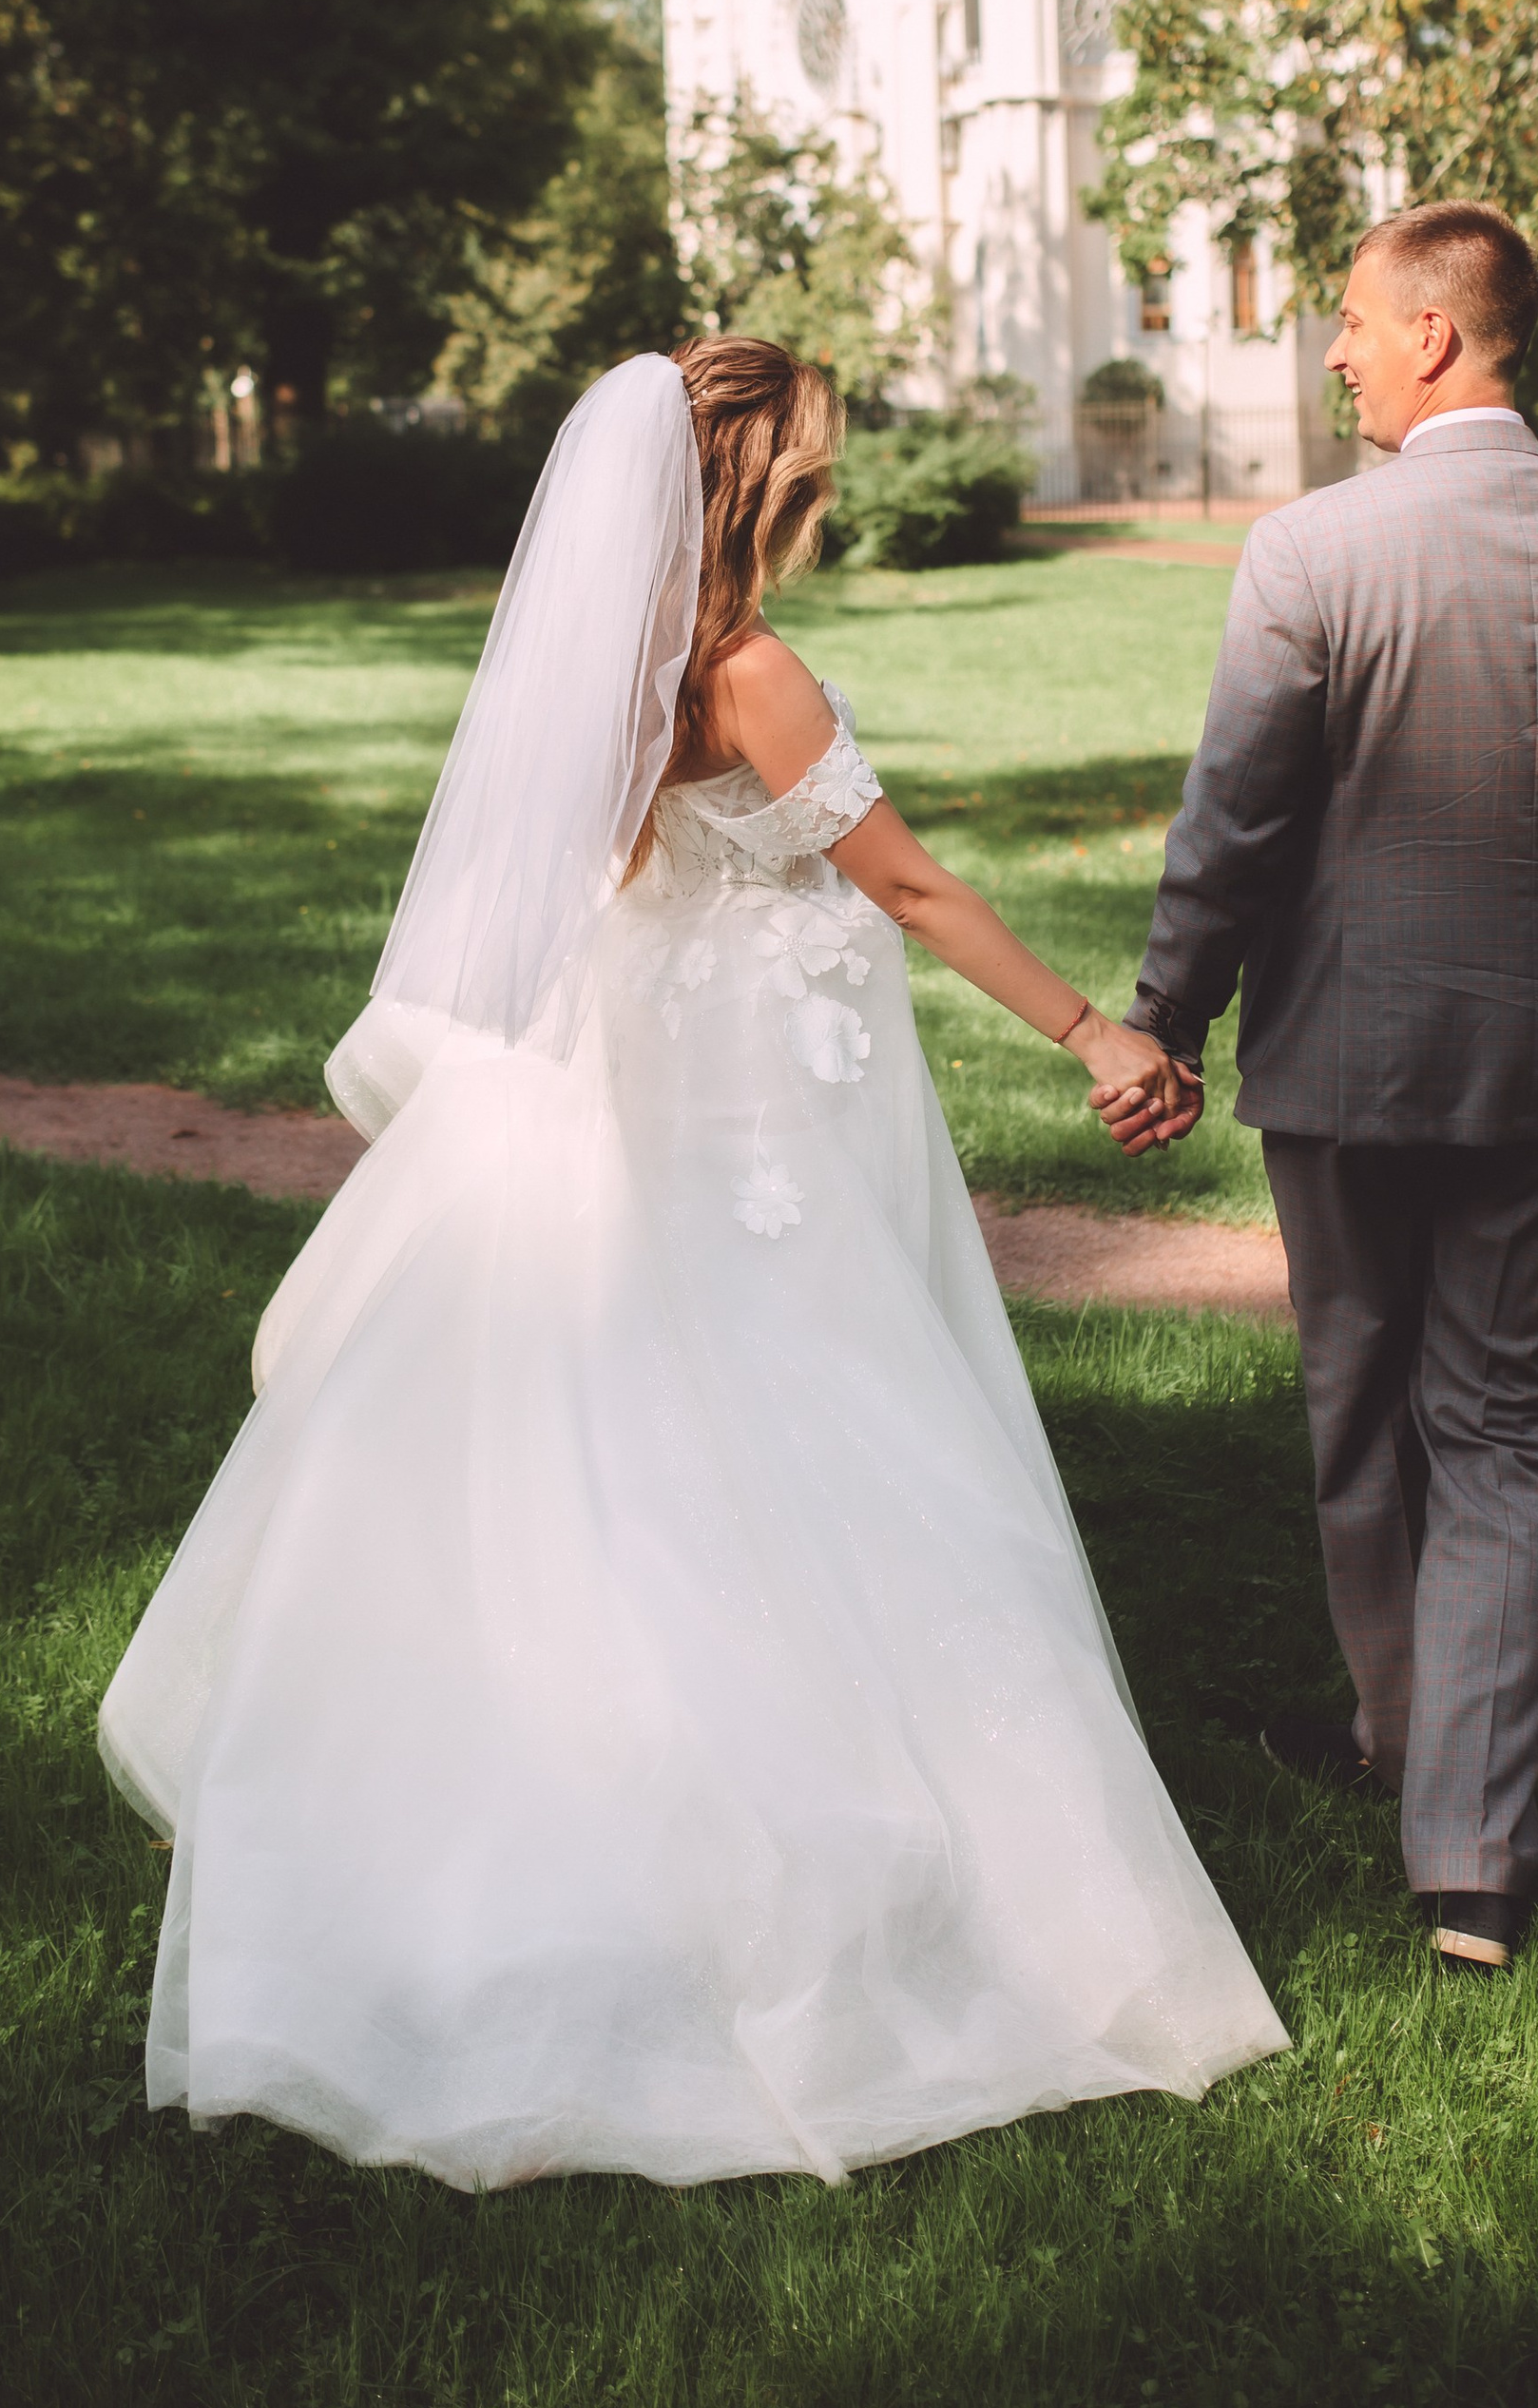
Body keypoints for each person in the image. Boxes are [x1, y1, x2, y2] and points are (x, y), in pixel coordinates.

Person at [99, 337, 1286, 2186]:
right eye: (814, 459)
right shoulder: (745, 673)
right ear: (756, 480)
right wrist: (1095, 1034)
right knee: (814, 1468)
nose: (832, 484)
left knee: (613, 1473)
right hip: (744, 1154)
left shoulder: (599, 679)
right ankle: (837, 1899)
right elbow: (903, 884)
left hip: (634, 1126)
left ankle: (542, 1864)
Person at [1095, 203, 1538, 1977]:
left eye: (1358, 323)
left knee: (1363, 1409)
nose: (1338, 353)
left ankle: (1401, 1744)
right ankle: (1473, 1856)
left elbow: (1235, 827)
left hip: (1355, 1074)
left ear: (1436, 337)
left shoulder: (1308, 552)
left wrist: (1166, 1015)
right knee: (1509, 1433)